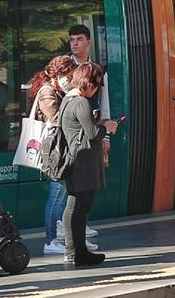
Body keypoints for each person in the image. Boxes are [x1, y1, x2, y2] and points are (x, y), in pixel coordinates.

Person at [26, 55, 91, 256]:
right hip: (54, 153)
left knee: (61, 195)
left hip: (59, 151)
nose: (70, 80)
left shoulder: (56, 90)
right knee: (56, 196)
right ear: (59, 74)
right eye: (68, 75)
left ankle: (58, 234)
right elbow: (56, 119)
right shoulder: (47, 92)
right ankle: (50, 239)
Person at [59, 62, 114, 266]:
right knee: (80, 209)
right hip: (83, 161)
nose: (96, 90)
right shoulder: (81, 102)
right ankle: (78, 253)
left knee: (73, 207)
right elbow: (92, 133)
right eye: (96, 85)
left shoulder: (67, 99)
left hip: (74, 159)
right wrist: (107, 126)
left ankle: (73, 251)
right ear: (89, 82)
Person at [65, 25, 114, 241]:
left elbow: (105, 104)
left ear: (89, 41)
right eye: (72, 39)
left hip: (92, 136)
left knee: (85, 191)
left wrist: (106, 136)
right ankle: (71, 238)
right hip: (73, 138)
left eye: (79, 39)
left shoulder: (98, 69)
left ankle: (78, 232)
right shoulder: (65, 67)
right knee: (71, 195)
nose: (75, 43)